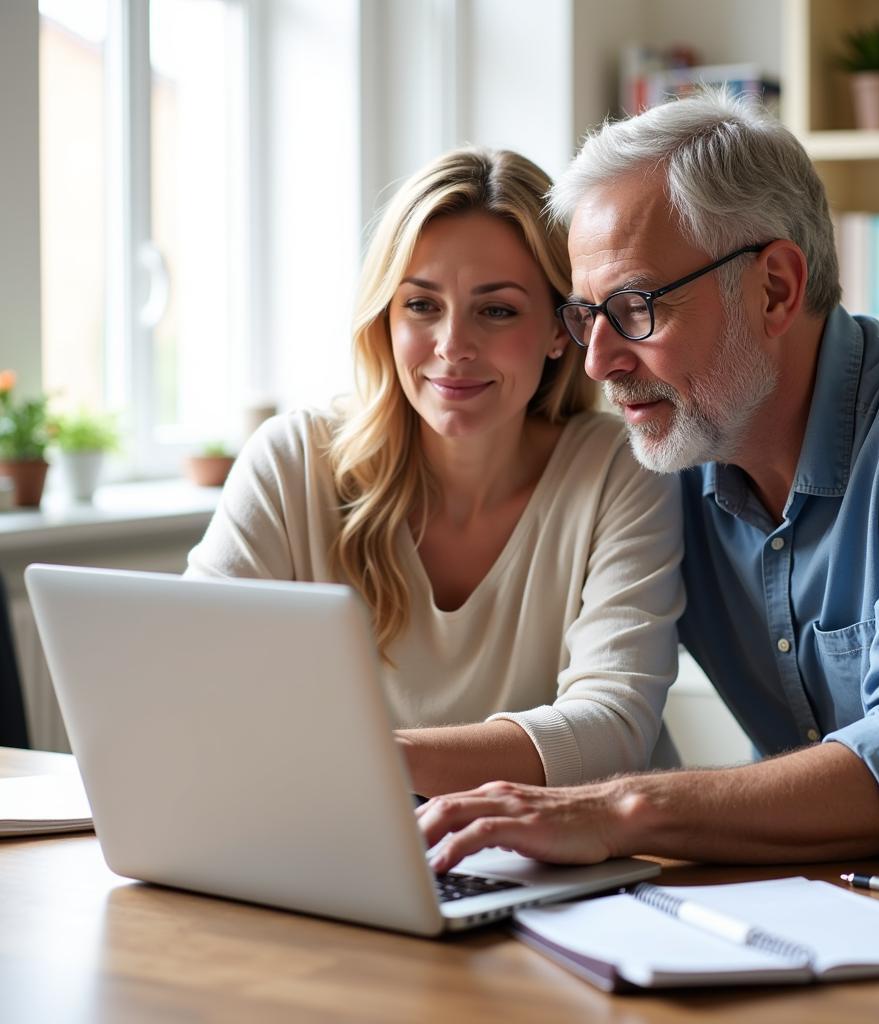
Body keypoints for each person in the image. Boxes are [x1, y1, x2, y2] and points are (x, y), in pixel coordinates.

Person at [419, 90, 879, 872]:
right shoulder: (669, 453)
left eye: (636, 307)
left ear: (774, 287)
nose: (599, 360)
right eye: (585, 316)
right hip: (813, 901)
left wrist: (618, 810)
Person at [185, 147, 685, 797]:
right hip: (352, 850)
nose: (453, 346)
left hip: (588, 868)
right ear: (386, 319)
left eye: (497, 309)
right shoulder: (291, 463)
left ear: (562, 330)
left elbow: (613, 727)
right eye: (421, 306)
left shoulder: (618, 468)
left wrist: (363, 758)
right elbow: (192, 682)